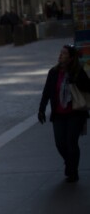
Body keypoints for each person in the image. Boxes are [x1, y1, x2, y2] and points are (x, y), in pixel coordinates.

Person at [37, 44, 90, 183]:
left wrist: (76, 81)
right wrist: (41, 109)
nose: (60, 55)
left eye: (64, 53)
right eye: (60, 53)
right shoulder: (53, 72)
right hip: (59, 114)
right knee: (60, 143)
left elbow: (87, 87)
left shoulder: (78, 71)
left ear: (71, 58)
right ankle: (69, 162)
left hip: (75, 113)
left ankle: (73, 171)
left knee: (71, 143)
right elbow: (47, 91)